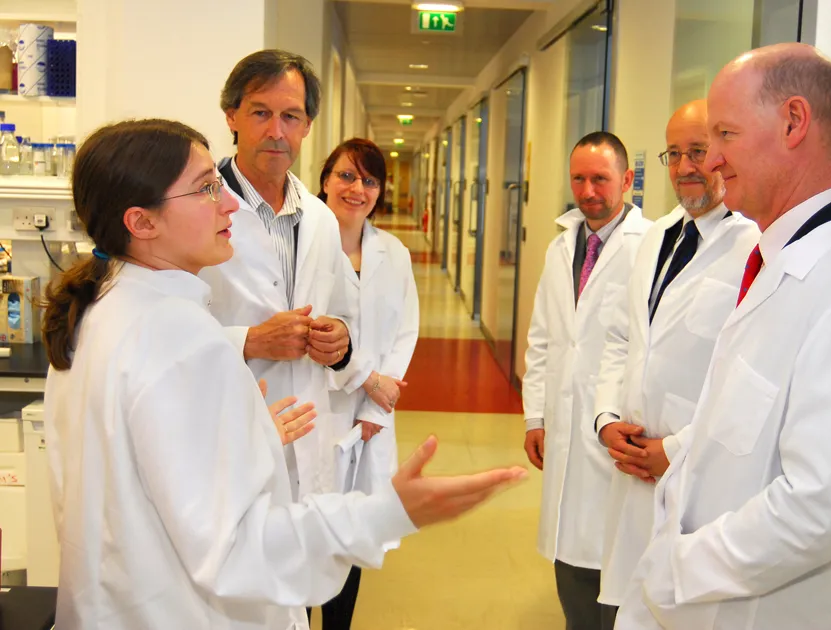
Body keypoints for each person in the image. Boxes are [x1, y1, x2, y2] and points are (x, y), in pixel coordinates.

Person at [41, 118, 526, 630]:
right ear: (142, 222)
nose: (229, 203)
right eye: (207, 188)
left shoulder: (97, 312)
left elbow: (132, 479)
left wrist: (246, 439)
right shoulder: (182, 341)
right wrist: (388, 512)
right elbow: (237, 555)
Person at [616, 43, 831, 630]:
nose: (712, 160)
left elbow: (827, 507)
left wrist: (678, 568)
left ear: (794, 122)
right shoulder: (776, 264)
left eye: (724, 134)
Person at [592, 100, 758, 615]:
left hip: (697, 474)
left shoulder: (753, 244)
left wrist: (679, 449)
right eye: (674, 154)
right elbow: (621, 337)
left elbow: (748, 373)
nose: (685, 167)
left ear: (726, 153)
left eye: (699, 151)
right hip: (632, 460)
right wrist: (605, 418)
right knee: (630, 605)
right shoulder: (657, 238)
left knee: (684, 609)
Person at [199, 50, 373, 506]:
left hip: (310, 429)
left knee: (302, 560)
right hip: (226, 427)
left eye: (291, 116)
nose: (277, 131)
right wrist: (249, 340)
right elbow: (163, 330)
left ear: (307, 125)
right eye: (261, 113)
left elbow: (344, 312)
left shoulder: (320, 218)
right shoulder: (197, 211)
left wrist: (340, 340)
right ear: (232, 116)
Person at [521, 131, 652, 630]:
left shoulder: (649, 244)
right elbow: (544, 339)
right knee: (570, 557)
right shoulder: (561, 246)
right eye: (579, 178)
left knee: (615, 559)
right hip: (564, 420)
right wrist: (536, 415)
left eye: (601, 178)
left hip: (616, 424)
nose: (589, 190)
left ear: (628, 180)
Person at [309, 139, 420, 628]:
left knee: (353, 536)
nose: (357, 189)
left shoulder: (393, 253)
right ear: (326, 180)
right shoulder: (304, 246)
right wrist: (367, 379)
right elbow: (311, 331)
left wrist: (377, 405)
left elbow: (405, 330)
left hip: (370, 419)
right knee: (308, 534)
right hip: (314, 411)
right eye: (346, 176)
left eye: (369, 180)